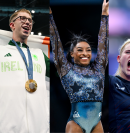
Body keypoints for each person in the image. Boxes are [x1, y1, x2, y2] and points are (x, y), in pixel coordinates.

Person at [50, 0, 109, 132]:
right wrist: (50, 19)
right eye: (80, 50)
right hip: (76, 123)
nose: (85, 53)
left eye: (88, 50)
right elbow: (56, 45)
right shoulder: (67, 71)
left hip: (97, 124)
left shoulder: (98, 69)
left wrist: (104, 15)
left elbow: (102, 44)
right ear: (72, 54)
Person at [0, 8, 50, 133]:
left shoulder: (39, 55)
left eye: (30, 20)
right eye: (22, 18)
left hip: (38, 127)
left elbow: (62, 70)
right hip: (3, 127)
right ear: (12, 25)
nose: (27, 22)